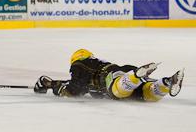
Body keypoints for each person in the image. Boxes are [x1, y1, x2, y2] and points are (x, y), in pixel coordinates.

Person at [34, 48, 184, 102]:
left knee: (116, 91)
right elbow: (80, 84)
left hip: (110, 77)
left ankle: (135, 77)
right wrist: (52, 84)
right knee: (146, 93)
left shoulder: (79, 64)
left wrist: (58, 90)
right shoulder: (94, 64)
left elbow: (75, 89)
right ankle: (167, 82)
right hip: (120, 71)